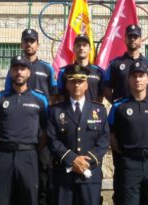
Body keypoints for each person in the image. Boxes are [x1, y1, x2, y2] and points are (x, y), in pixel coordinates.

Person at [104, 24, 148, 204]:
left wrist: (146, 109)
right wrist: (120, 106)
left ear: (141, 39)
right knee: (123, 178)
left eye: (136, 36)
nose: (133, 39)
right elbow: (106, 88)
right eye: (130, 36)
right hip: (123, 122)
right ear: (125, 38)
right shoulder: (115, 64)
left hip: (143, 121)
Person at [0, 55, 49, 205]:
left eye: (23, 69)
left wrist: (34, 148)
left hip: (28, 155)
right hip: (3, 156)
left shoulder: (40, 99)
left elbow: (46, 130)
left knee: (29, 197)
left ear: (29, 72)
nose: (19, 72)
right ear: (10, 72)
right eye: (15, 69)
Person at [46, 65, 109, 205]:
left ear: (86, 84)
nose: (77, 85)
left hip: (90, 175)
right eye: (73, 81)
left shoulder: (99, 110)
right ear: (67, 85)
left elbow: (104, 140)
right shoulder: (55, 111)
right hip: (64, 175)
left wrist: (87, 161)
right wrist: (72, 159)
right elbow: (52, 139)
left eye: (80, 81)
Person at [108, 61, 148, 205]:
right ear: (129, 80)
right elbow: (110, 134)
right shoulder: (118, 106)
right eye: (134, 76)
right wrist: (123, 151)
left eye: (141, 76)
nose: (138, 79)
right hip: (130, 163)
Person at [57, 34, 105, 103]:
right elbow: (60, 96)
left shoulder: (99, 72)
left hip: (91, 112)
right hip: (69, 112)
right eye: (78, 45)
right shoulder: (64, 71)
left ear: (90, 49)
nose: (81, 48)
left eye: (84, 45)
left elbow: (101, 97)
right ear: (73, 49)